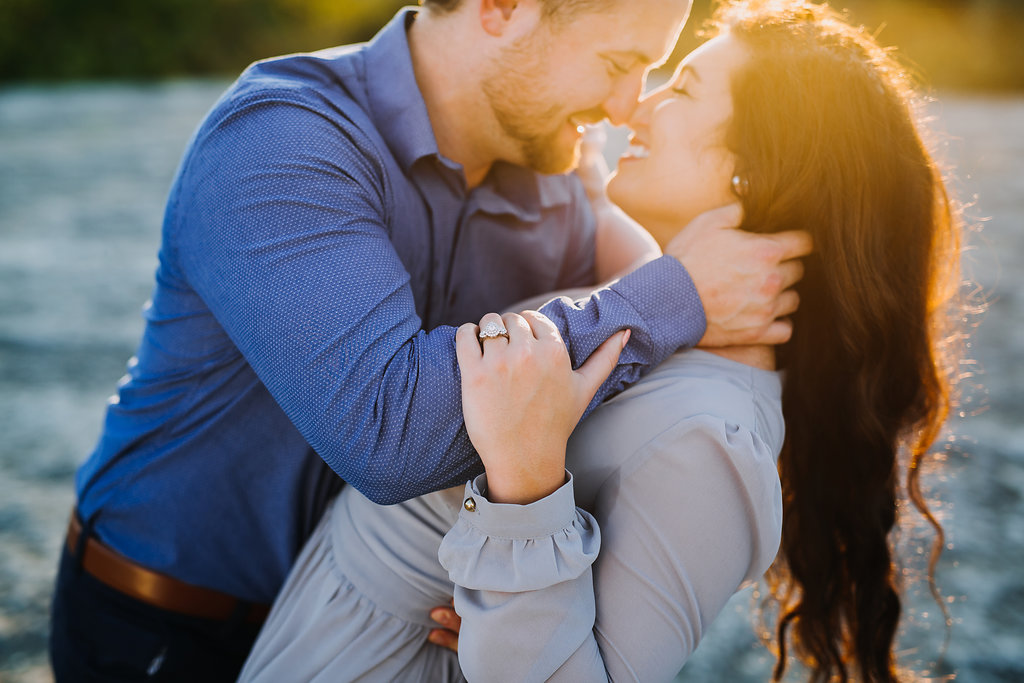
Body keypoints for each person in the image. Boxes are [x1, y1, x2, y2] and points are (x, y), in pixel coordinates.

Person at [49, 0, 813, 679]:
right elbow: (390, 435)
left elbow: (641, 321)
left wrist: (514, 597)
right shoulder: (282, 139)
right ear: (501, 9)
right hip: (164, 625)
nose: (624, 108)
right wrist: (680, 293)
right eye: (619, 65)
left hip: (358, 623)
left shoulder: (553, 173)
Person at [238, 0, 964, 681]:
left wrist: (523, 513)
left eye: (677, 90)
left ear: (750, 168)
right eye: (629, 70)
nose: (633, 108)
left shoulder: (709, 440)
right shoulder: (658, 315)